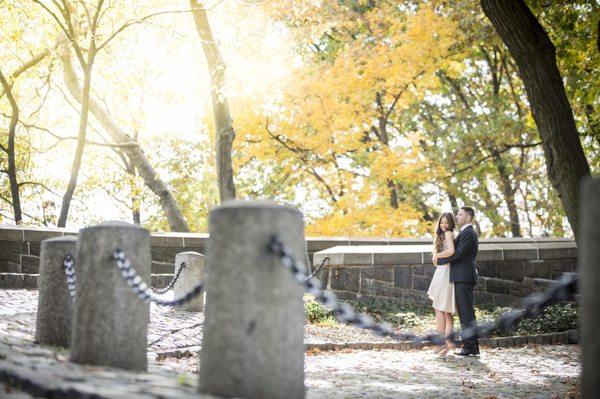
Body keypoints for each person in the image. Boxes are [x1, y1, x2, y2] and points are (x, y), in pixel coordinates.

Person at [434, 206, 480, 357]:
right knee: (464, 312)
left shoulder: (469, 233)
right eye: (458, 214)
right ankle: (470, 346)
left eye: (460, 214)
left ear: (468, 217)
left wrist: (440, 260)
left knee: (466, 313)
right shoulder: (464, 233)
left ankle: (471, 347)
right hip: (461, 277)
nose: (457, 216)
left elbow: (458, 254)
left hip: (464, 277)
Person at [427, 212, 457, 357]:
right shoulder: (443, 235)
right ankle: (443, 342)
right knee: (439, 309)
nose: (444, 225)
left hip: (446, 274)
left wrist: (437, 255)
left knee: (444, 310)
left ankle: (446, 342)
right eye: (442, 222)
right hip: (441, 273)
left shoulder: (449, 234)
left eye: (447, 222)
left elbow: (451, 251)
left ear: (451, 223)